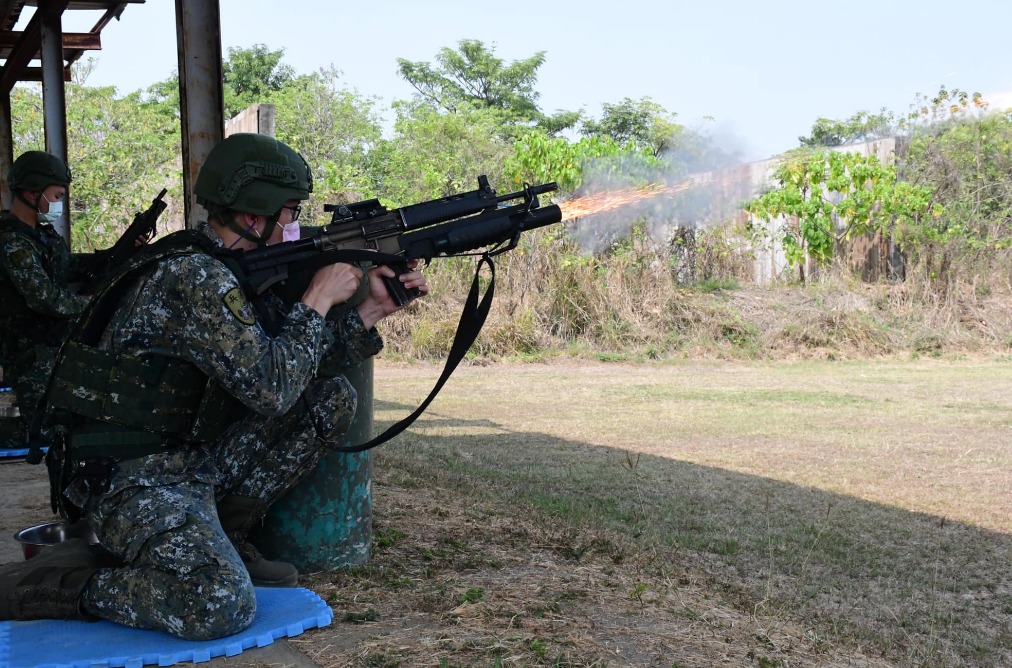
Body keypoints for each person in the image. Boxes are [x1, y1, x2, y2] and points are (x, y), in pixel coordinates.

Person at [0, 133, 428, 640]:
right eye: (290, 213)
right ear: (254, 216)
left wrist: (371, 310)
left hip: (186, 458)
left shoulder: (220, 268)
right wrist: (316, 297)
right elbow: (272, 387)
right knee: (217, 603)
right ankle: (65, 580)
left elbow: (287, 372)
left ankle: (222, 535)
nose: (294, 226)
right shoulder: (194, 276)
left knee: (329, 400)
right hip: (131, 476)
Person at [0, 151, 88, 451]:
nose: (59, 204)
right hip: (30, 354)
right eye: (56, 195)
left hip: (53, 346)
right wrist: (90, 303)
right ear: (31, 192)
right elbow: (46, 300)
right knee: (47, 431)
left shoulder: (42, 235)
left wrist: (114, 257)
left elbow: (68, 267)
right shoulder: (13, 242)